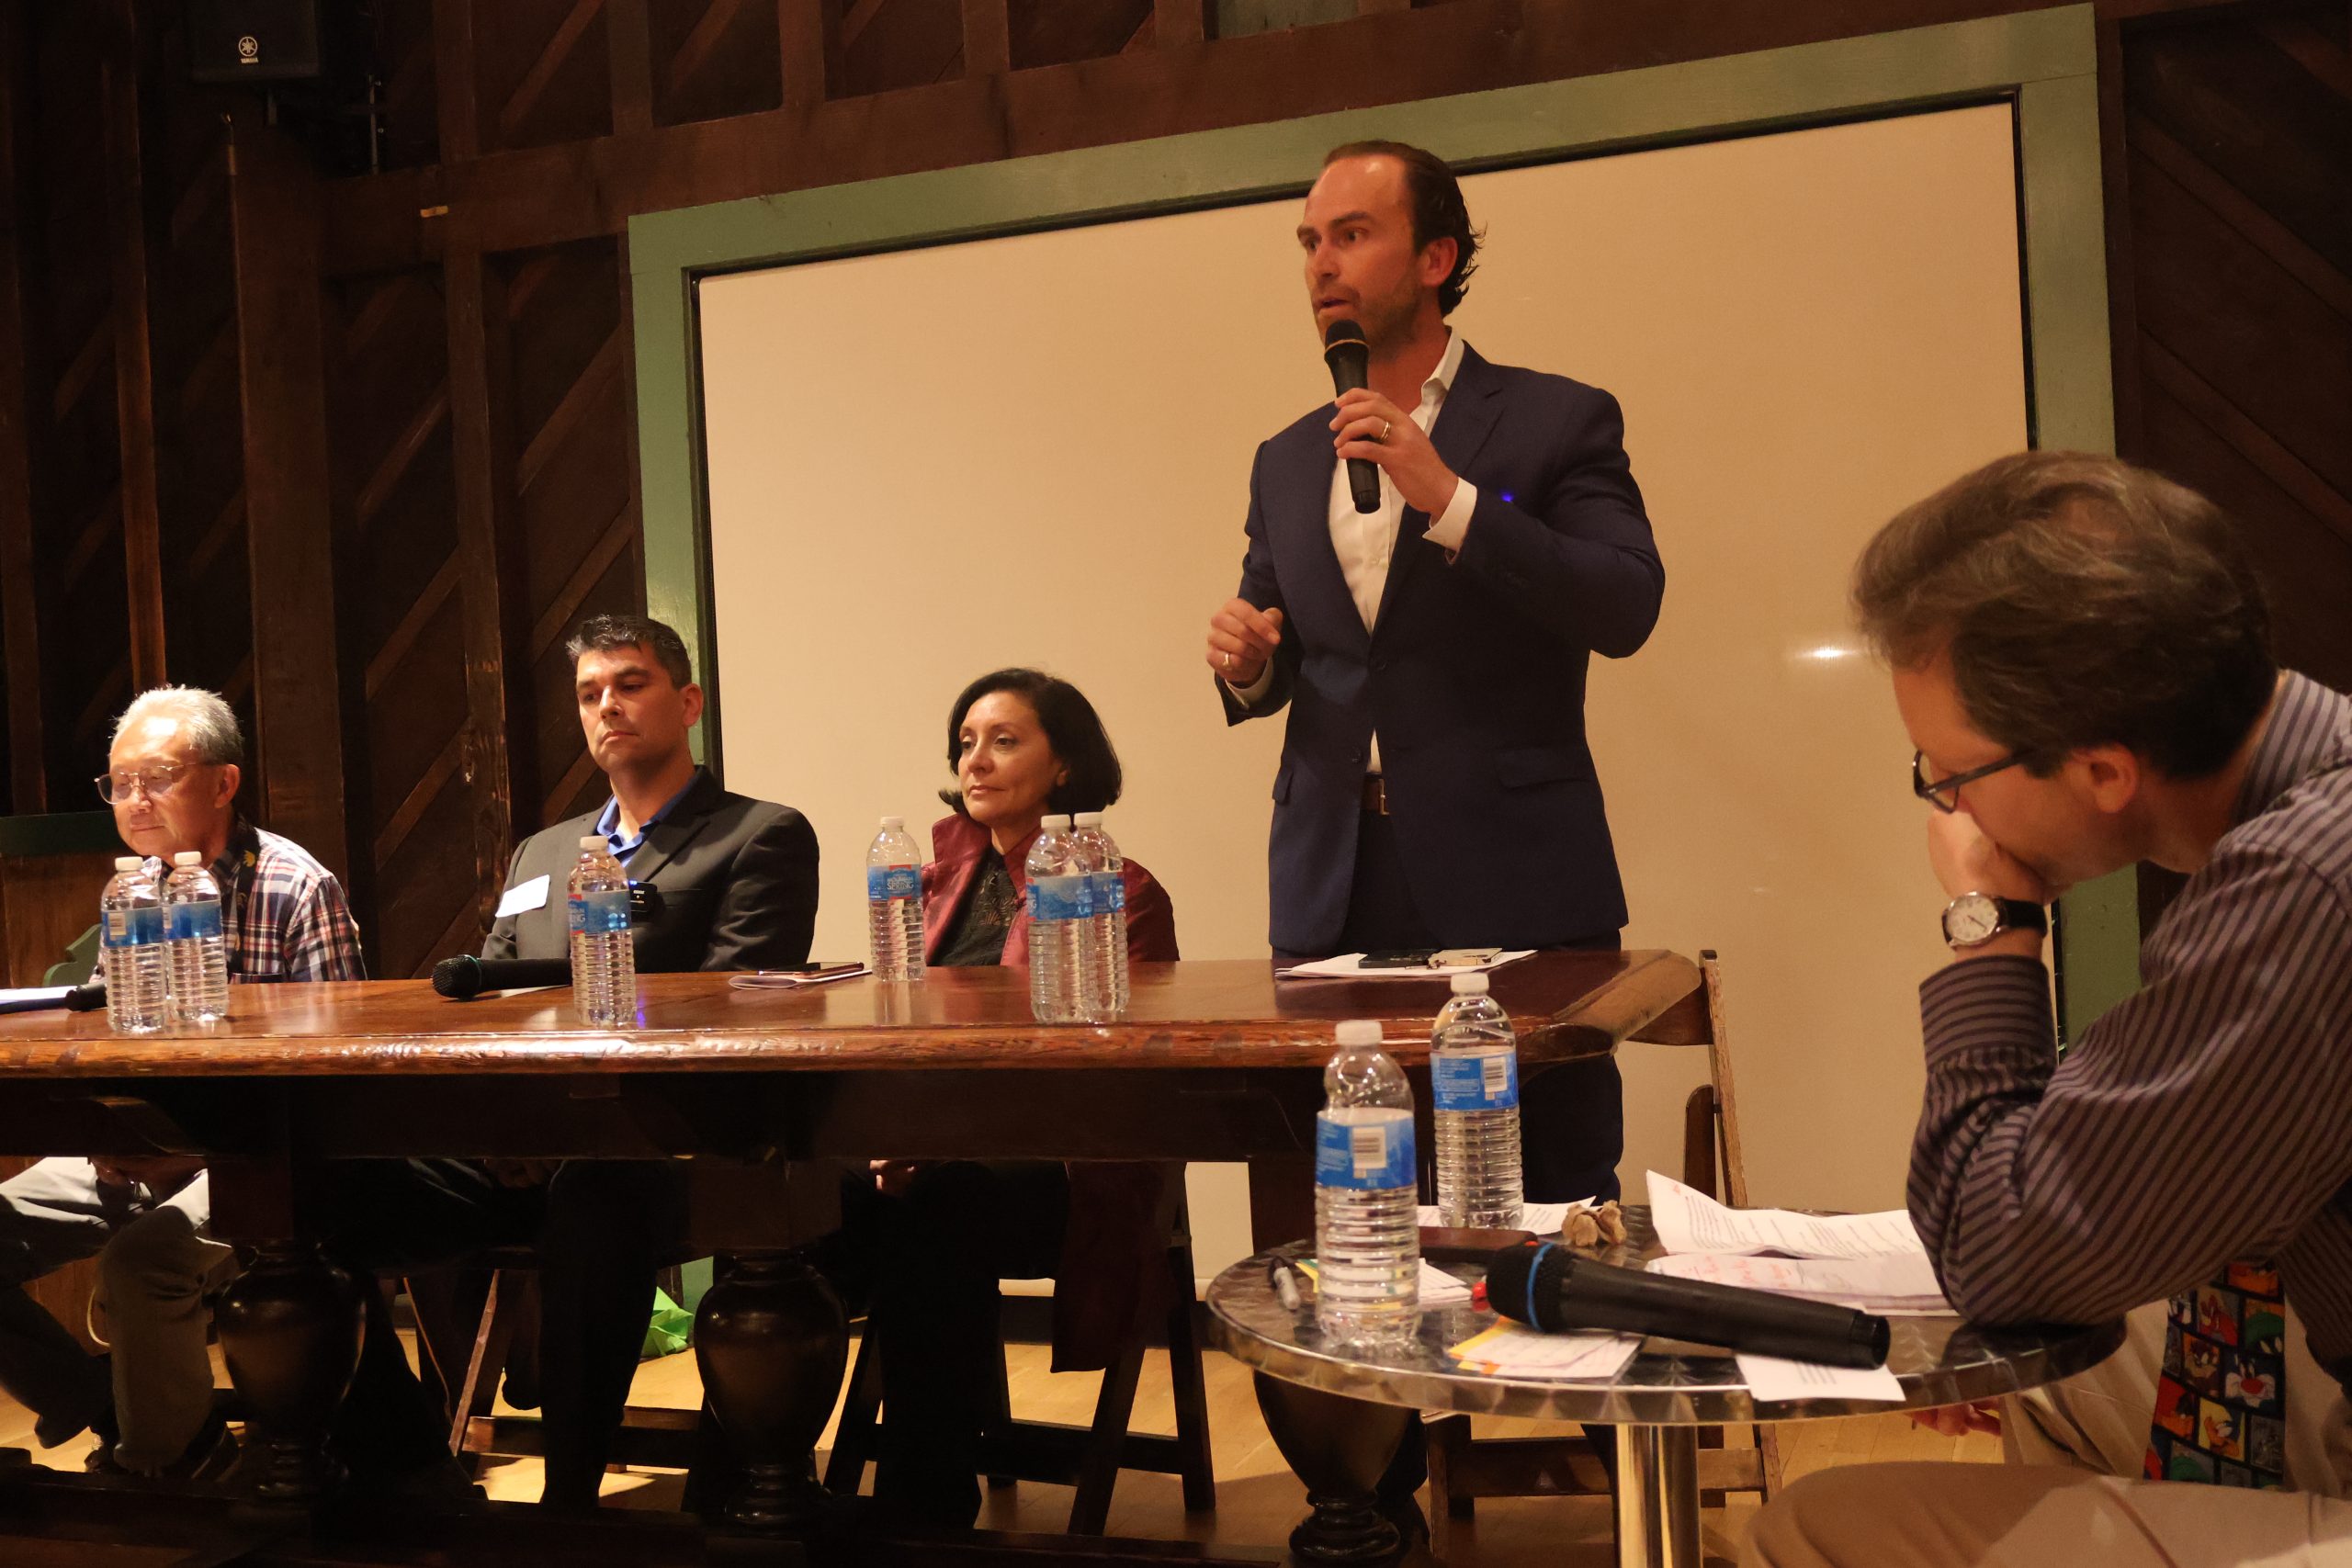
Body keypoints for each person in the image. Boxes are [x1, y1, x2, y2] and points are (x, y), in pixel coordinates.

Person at [1743, 451, 2352, 1567]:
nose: (1950, 807)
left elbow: (1994, 1246)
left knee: (1813, 1529)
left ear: (2104, 770)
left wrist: (1992, 919)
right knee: (2079, 1364)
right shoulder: (2311, 800)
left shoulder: (2302, 892)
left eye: (1949, 772)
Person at [1204, 139, 1663, 1208]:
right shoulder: (1285, 457)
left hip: (1514, 880)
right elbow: (1293, 646)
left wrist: (1453, 498)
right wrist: (1247, 662)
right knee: (1362, 1209)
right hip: (1334, 880)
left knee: (1540, 1193)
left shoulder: (1555, 418)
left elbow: (1623, 600)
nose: (1320, 263)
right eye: (1309, 241)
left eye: (1351, 235)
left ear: (1434, 256)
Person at [323, 613, 821, 1507]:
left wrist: (568, 1129)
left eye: (630, 684)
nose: (608, 706)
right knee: (324, 1194)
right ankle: (402, 1458)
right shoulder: (545, 852)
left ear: (689, 702)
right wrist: (500, 1124)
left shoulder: (759, 835)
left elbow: (724, 1014)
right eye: (590, 693)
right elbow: (498, 1003)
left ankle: (568, 1504)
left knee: (596, 1195)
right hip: (526, 1139)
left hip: (670, 1141)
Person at [836, 668, 1177, 1527]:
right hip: (923, 1145)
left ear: (1065, 767)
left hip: (1062, 1163)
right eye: (965, 742)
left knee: (938, 1205)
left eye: (1004, 739)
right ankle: (760, 1483)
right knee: (788, 1197)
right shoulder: (926, 879)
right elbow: (890, 1027)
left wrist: (931, 1142)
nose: (975, 760)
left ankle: (922, 1507)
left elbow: (1087, 1069)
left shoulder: (1119, 887)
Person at [0, 686, 365, 1478]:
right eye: (119, 782)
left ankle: (162, 1471)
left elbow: (337, 1087)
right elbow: (105, 1041)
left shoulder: (296, 887)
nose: (134, 800)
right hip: (136, 1145)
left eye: (156, 776)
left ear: (224, 782)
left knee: (142, 1263)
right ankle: (110, 1404)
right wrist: (108, 1136)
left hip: (256, 1160)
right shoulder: (127, 891)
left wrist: (193, 1156)